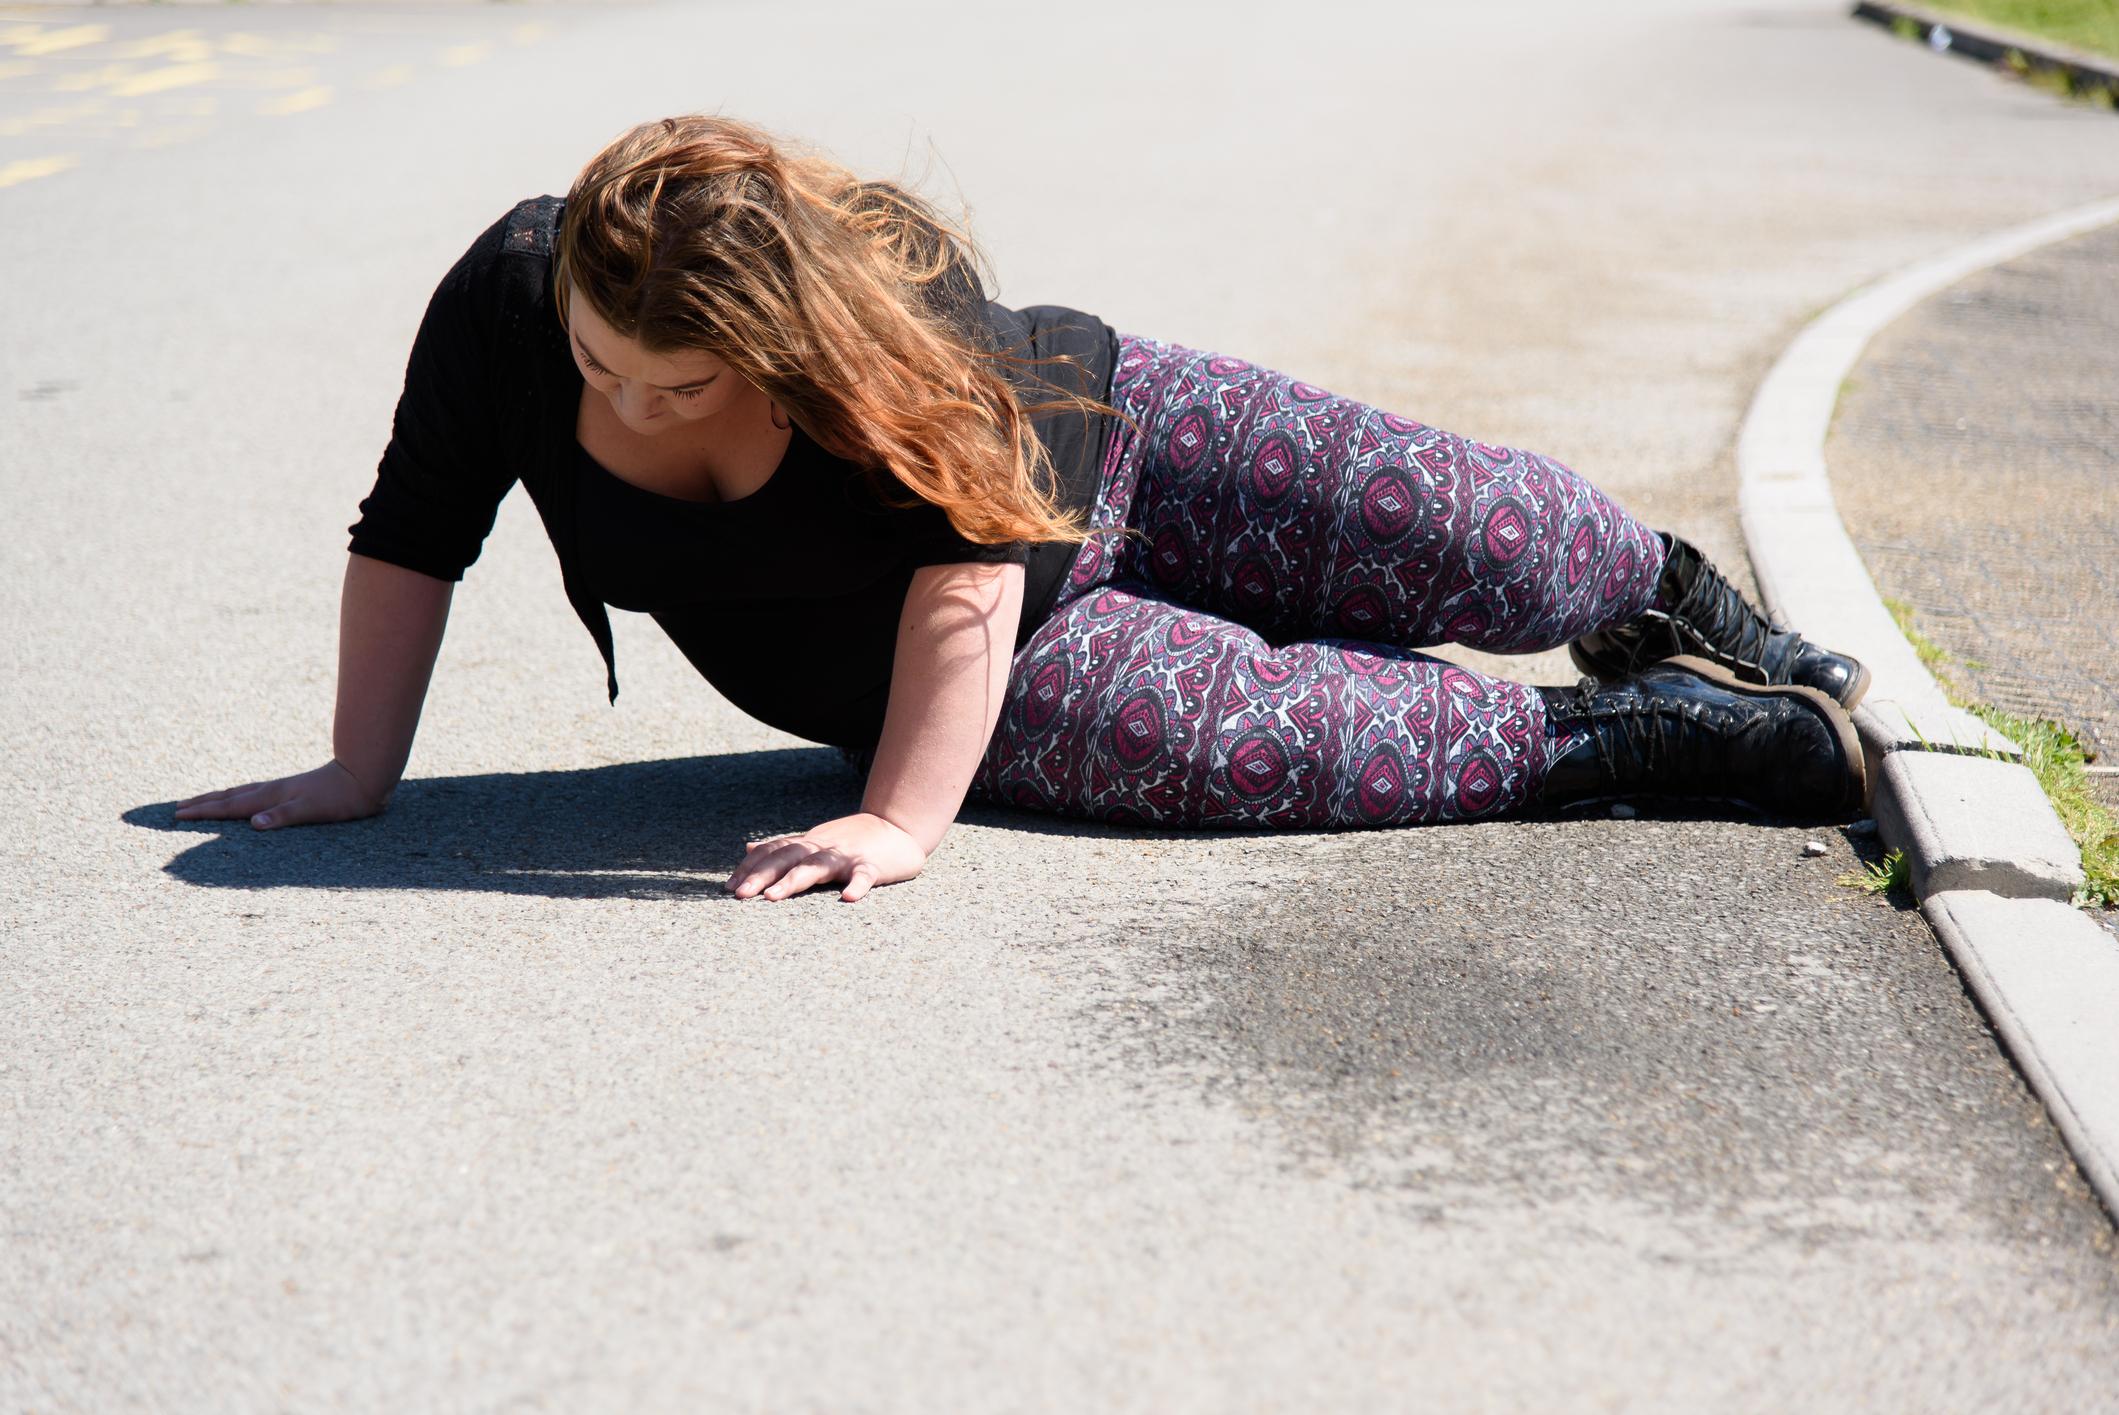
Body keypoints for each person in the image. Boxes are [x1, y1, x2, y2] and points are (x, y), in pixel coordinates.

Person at [175, 114, 1871, 904]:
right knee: (1278, 744)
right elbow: (414, 526)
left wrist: (903, 827)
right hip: (944, 672)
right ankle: (1633, 742)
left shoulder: (892, 302)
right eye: (602, 365)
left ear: (781, 342)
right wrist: (355, 769)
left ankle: (1665, 602)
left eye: (681, 385)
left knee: (1495, 540)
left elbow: (965, 554)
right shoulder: (511, 300)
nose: (622, 406)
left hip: (1103, 449)